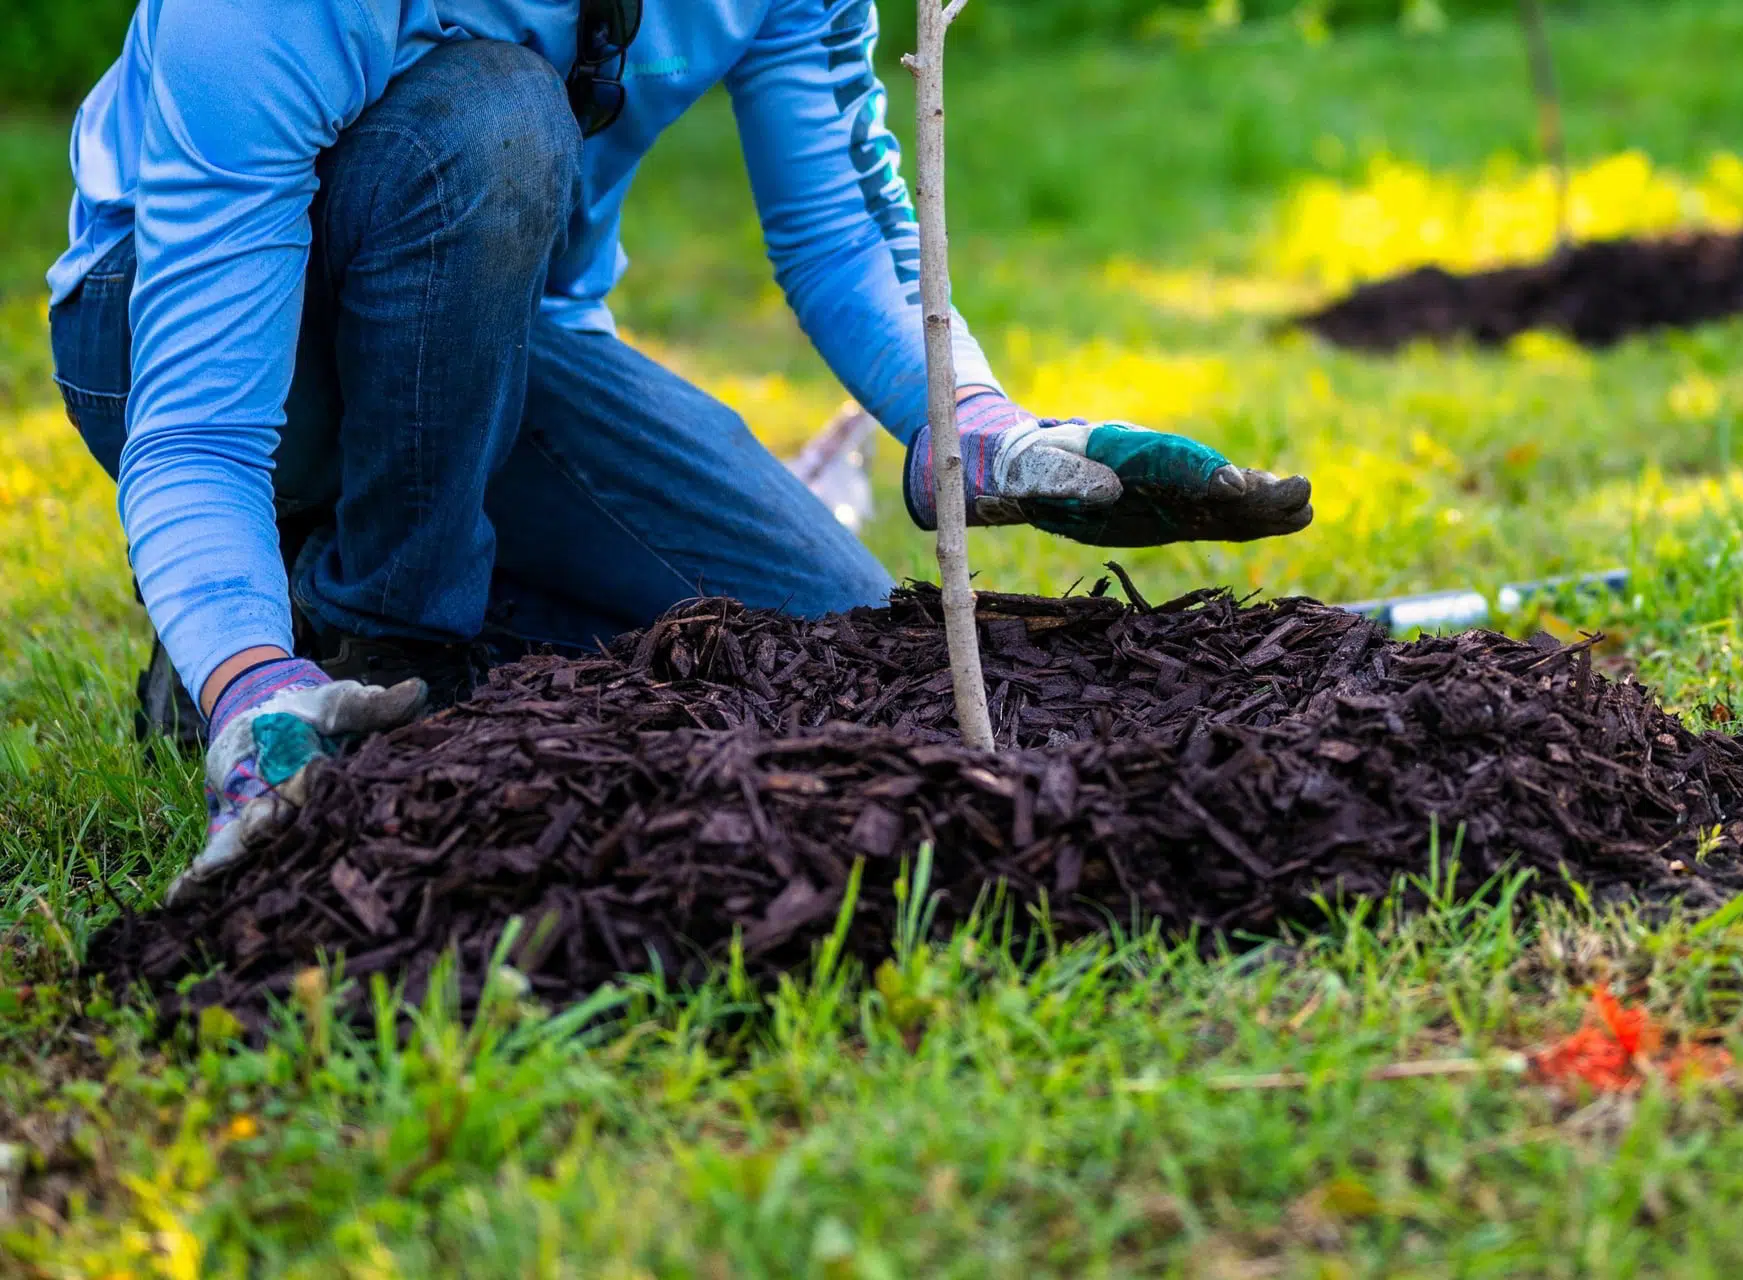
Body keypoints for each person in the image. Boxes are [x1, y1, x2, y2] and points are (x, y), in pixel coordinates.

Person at [47, 0, 1313, 899]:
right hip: (168, 320)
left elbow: (843, 227)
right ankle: (342, 643)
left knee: (827, 627)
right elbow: (202, 425)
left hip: (496, 341)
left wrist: (979, 428)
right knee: (493, 116)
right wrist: (244, 673)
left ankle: (340, 617)